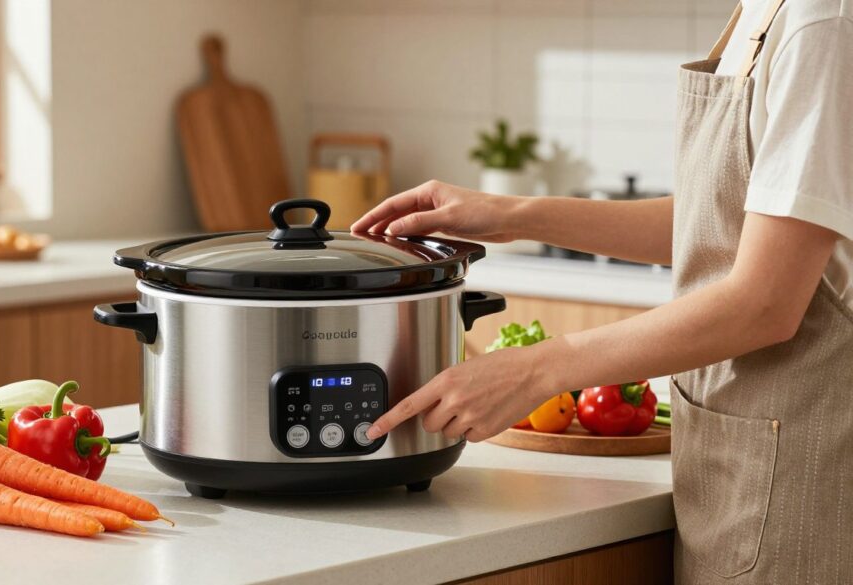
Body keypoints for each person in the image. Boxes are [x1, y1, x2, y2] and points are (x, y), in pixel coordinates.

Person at [352, 0, 853, 582]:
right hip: (737, 473)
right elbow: (721, 226)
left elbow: (765, 301)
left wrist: (536, 370)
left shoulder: (825, 22)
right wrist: (515, 214)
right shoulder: (766, 10)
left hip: (799, 482)